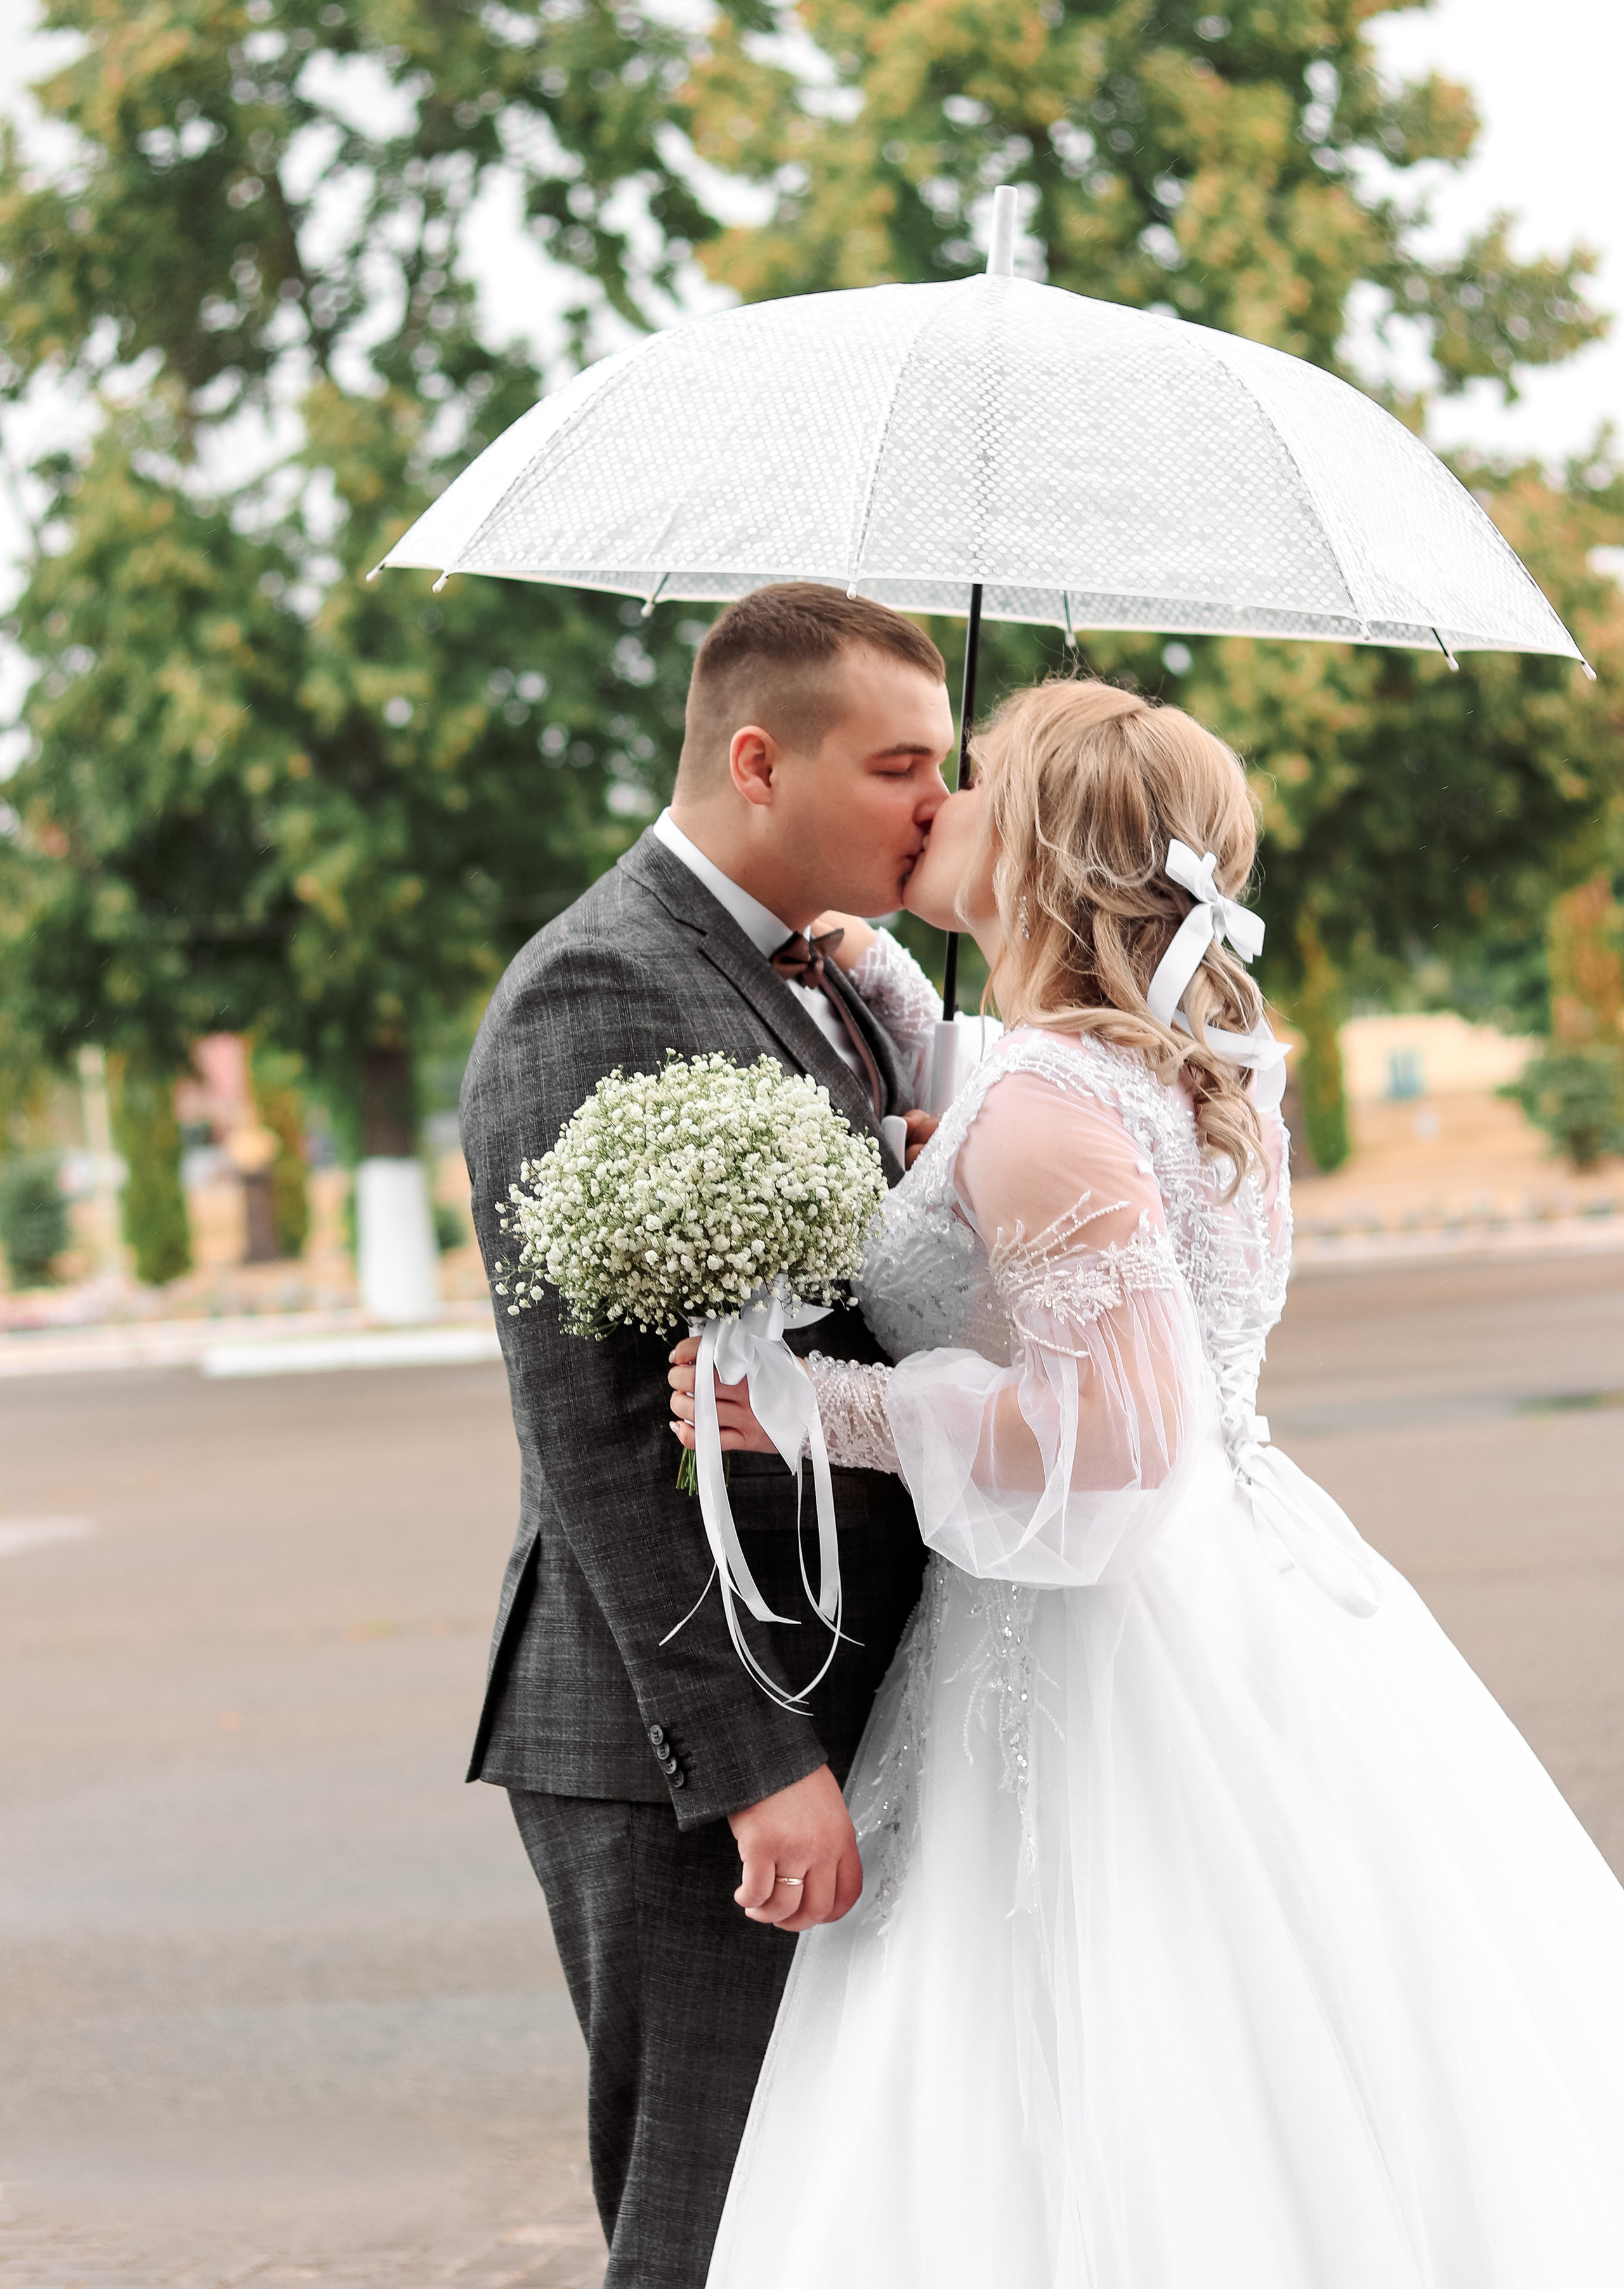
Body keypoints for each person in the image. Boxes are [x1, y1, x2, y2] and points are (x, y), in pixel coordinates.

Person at [672, 678, 1624, 2287]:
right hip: (1246, 1585)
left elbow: (1118, 1435)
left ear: (1036, 848)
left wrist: (817, 1408)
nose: (939, 800)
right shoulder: (1182, 1067)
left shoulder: (1047, 1102)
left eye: (974, 779)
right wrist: (892, 1001)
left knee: (1098, 2047)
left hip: (1101, 1638)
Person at [459, 582, 957, 2288]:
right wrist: (754, 1765)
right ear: (758, 761)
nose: (935, 807)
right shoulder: (597, 986)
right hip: (679, 1740)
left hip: (851, 1681)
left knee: (833, 2219)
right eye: (898, 766)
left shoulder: (833, 976)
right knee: (707, 2224)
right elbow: (598, 1431)